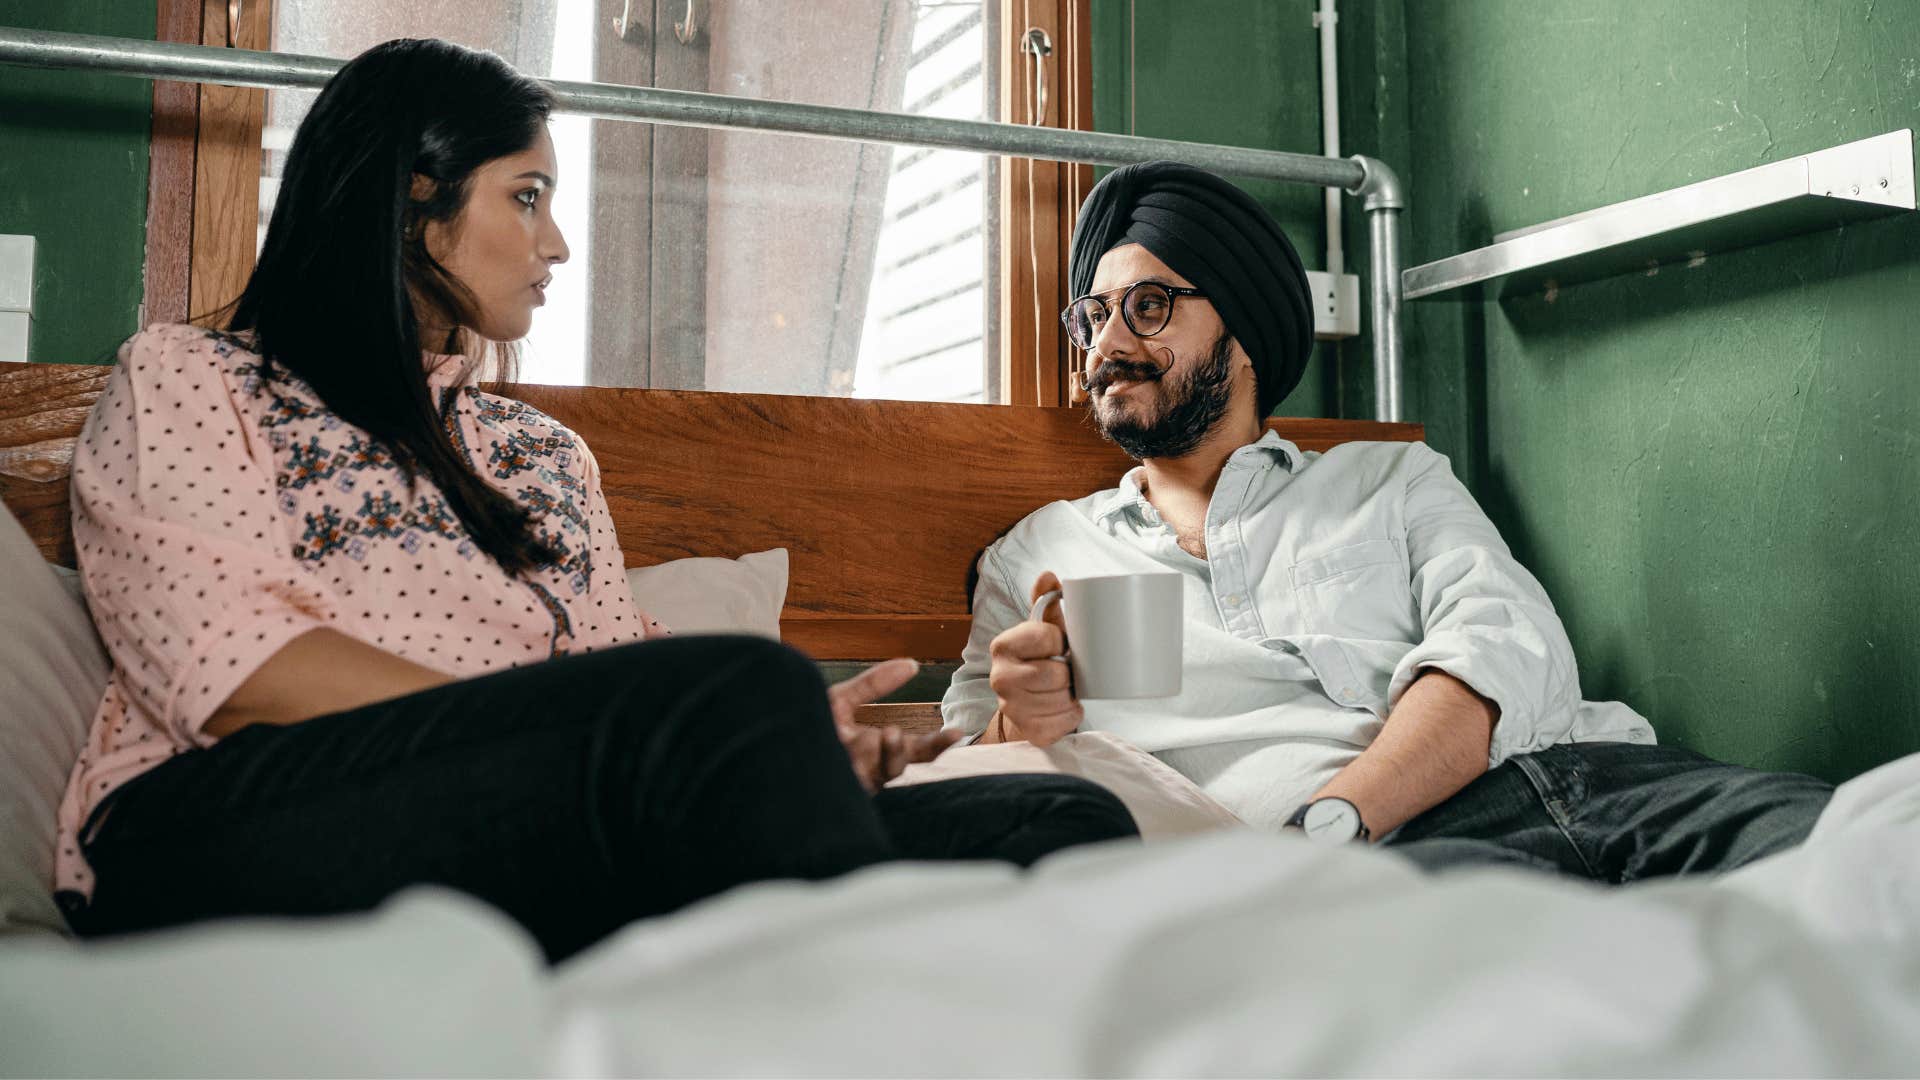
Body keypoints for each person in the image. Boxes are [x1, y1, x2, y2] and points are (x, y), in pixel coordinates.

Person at [53, 38, 1135, 963]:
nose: (558, 243)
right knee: (742, 691)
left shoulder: (542, 454)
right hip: (220, 823)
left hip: (548, 815)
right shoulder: (195, 378)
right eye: (525, 197)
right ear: (410, 202)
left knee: (1055, 816)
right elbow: (234, 673)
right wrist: (601, 732)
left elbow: (622, 677)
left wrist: (784, 751)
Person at [942, 160, 1832, 880]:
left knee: (1865, 855)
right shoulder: (1041, 555)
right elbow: (956, 789)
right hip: (1380, 877)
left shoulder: (1391, 478)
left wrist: (1331, 826)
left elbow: (1503, 642)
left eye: (1147, 307)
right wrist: (1021, 722)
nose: (1105, 346)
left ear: (1243, 331)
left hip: (1579, 785)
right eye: (1092, 316)